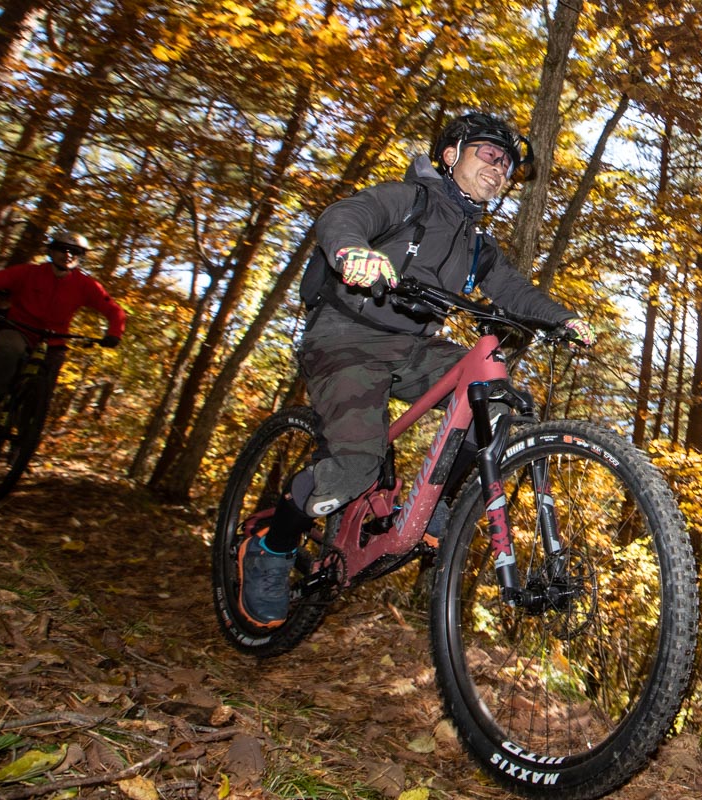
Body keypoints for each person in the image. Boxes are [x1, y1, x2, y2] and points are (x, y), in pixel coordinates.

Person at [238, 111, 596, 629]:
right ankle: (271, 550)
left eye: (508, 165)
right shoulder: (406, 199)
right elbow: (344, 215)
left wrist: (564, 319)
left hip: (412, 347)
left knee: (492, 395)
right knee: (357, 463)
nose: (500, 169)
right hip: (345, 338)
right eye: (488, 155)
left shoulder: (476, 243)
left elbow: (513, 290)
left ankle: (430, 507)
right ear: (451, 156)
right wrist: (352, 252)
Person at [0, 229, 126, 415]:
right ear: (52, 252)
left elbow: (114, 310)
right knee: (11, 351)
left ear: (81, 257)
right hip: (18, 328)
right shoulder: (28, 273)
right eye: (62, 249)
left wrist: (114, 334)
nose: (68, 255)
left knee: (47, 380)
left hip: (53, 341)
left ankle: (28, 426)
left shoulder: (87, 285)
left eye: (75, 252)